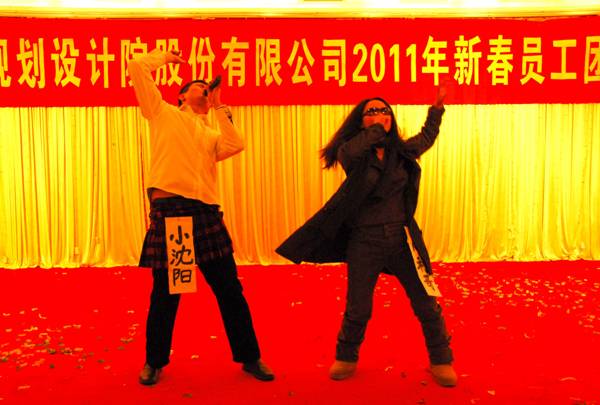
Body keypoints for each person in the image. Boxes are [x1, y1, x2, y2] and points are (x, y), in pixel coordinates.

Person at [276, 84, 456, 387]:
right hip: (364, 240)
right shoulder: (353, 153)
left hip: (402, 239)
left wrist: (436, 110)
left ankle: (441, 359)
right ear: (361, 121)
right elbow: (350, 150)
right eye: (371, 111)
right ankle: (346, 356)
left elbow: (426, 137)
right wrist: (375, 129)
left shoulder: (402, 153)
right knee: (358, 306)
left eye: (384, 110)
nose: (379, 114)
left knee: (426, 302)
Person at [128, 48, 274, 385]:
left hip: (205, 214)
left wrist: (219, 104)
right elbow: (136, 66)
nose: (205, 90)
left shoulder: (211, 135)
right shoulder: (161, 112)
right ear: (181, 95)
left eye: (208, 89)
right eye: (199, 86)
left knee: (229, 290)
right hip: (171, 214)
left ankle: (250, 357)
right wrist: (165, 58)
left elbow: (236, 144)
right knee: (166, 294)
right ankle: (154, 361)